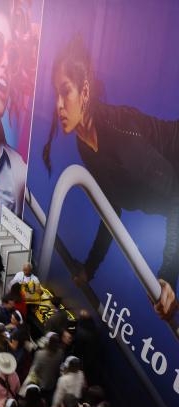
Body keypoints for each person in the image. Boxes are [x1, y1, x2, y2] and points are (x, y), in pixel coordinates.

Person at [43, 34, 179, 321]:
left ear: (85, 91)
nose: (58, 104)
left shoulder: (121, 137)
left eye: (65, 91)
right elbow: (110, 208)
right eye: (55, 93)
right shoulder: (85, 144)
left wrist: (167, 275)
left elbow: (176, 196)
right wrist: (89, 269)